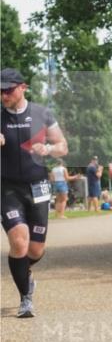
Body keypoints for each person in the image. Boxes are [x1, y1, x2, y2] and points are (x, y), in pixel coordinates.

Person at [1, 68, 69, 317]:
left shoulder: (43, 113)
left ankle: (24, 273)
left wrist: (48, 149)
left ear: (23, 87)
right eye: (0, 91)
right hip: (7, 187)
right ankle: (25, 299)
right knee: (19, 241)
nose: (3, 95)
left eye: (8, 89)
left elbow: (63, 147)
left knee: (36, 250)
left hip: (38, 185)